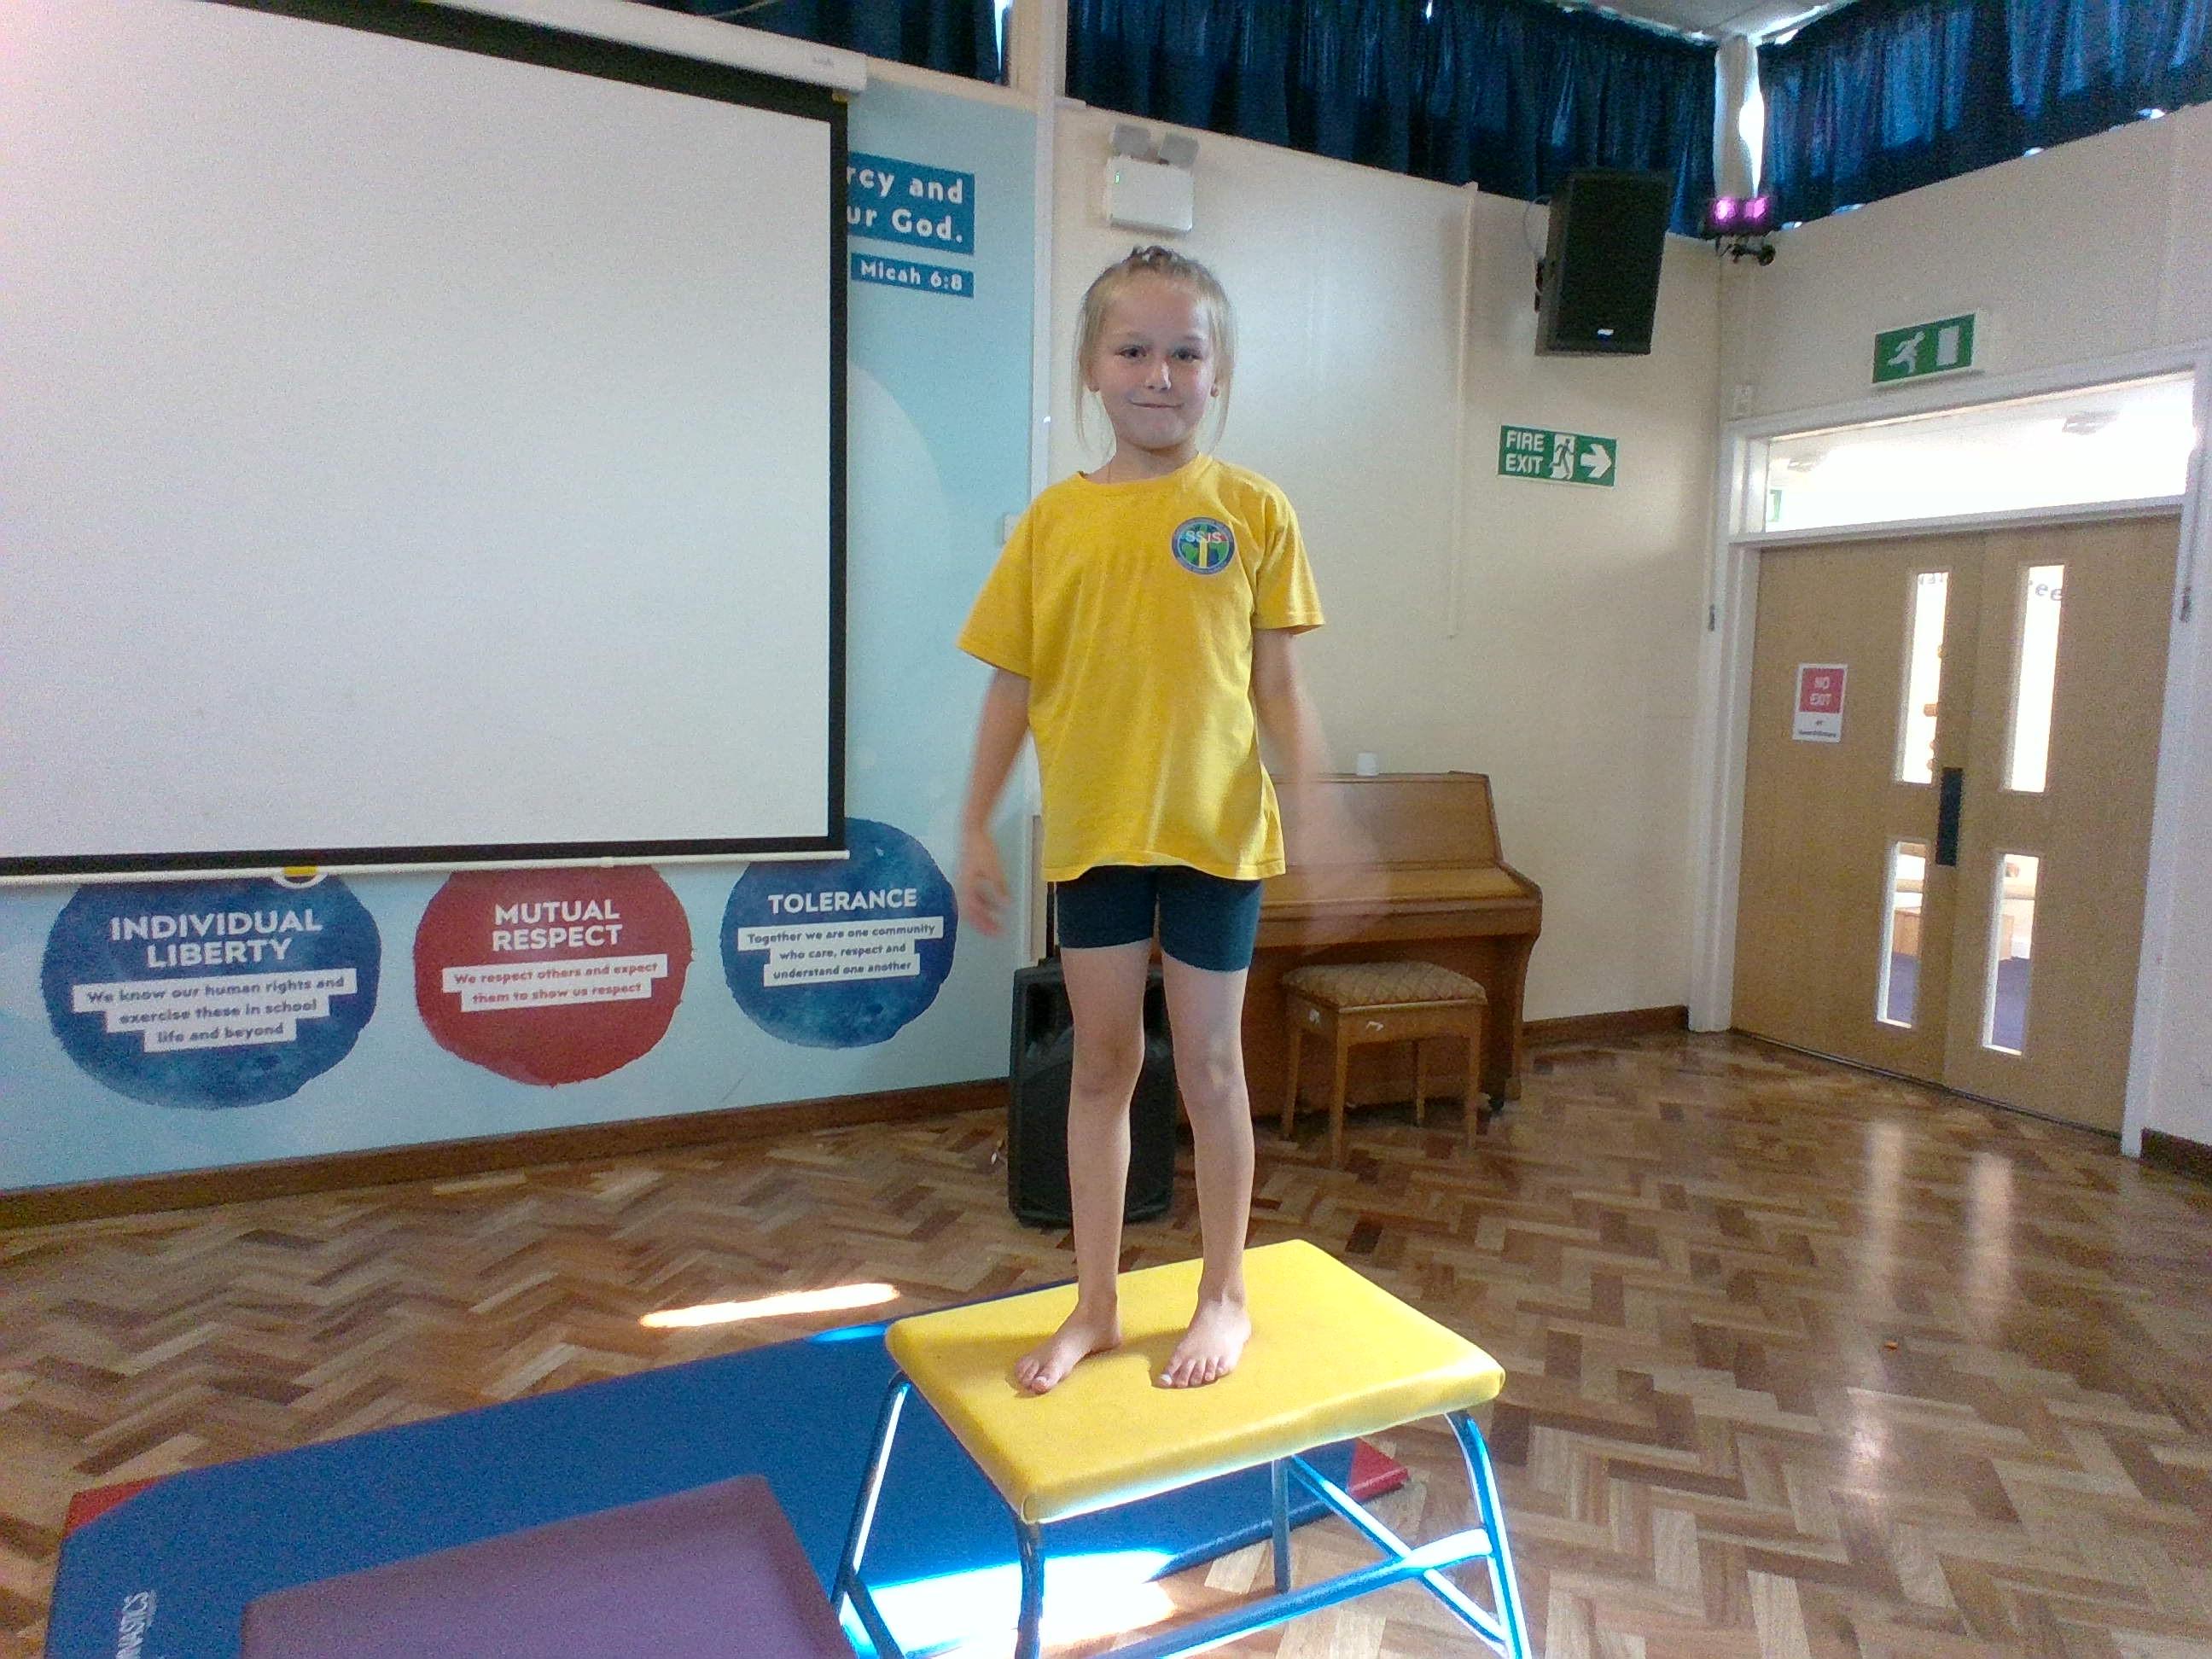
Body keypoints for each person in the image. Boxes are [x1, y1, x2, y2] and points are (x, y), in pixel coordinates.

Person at [954, 244, 1345, 1394]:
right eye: (1133, 349)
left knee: (1213, 1067)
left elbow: (1279, 687)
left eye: (1186, 352)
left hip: (1217, 835)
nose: (1159, 374)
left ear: (1218, 373)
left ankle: (1225, 1293)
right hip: (1097, 835)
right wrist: (974, 822)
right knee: (1103, 1064)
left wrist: (1323, 806)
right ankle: (1096, 1304)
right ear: (1091, 367)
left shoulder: (1253, 509)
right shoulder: (1051, 524)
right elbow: (1012, 685)